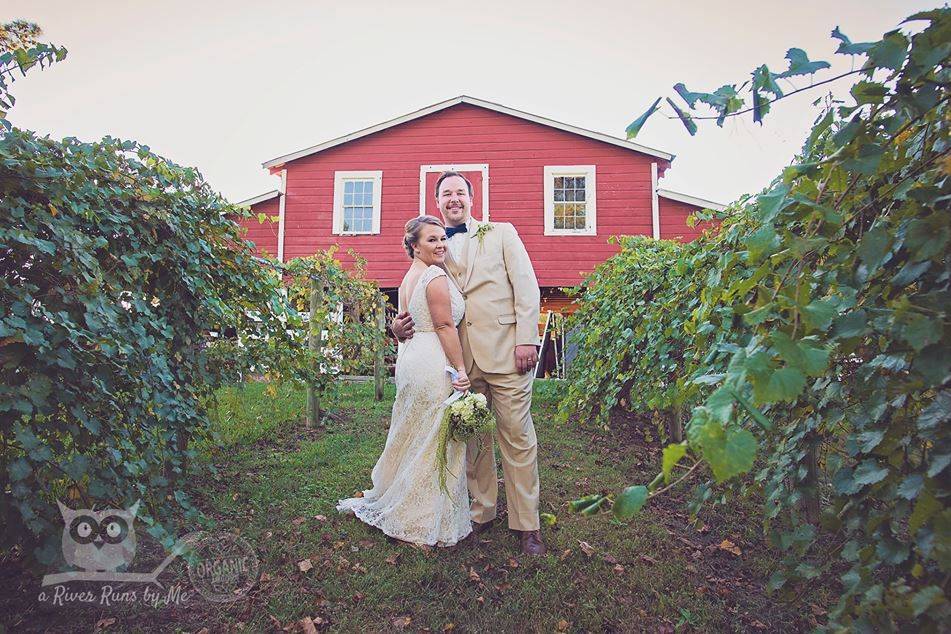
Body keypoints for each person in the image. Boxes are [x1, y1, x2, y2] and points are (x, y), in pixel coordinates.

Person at [391, 172, 546, 556]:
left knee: (517, 436)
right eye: (446, 193)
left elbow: (526, 286)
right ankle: (481, 511)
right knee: (474, 438)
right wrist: (397, 324)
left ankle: (527, 525)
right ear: (438, 201)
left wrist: (527, 338)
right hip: (459, 360)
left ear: (472, 198)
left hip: (509, 352)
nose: (454, 198)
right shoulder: (433, 246)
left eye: (460, 192)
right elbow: (417, 295)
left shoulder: (501, 233)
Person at [336, 215, 473, 547]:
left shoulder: (407, 279)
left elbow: (404, 326)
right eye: (432, 240)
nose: (441, 244)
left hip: (412, 358)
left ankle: (403, 499)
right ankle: (418, 520)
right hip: (433, 362)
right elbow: (443, 326)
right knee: (432, 438)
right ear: (414, 245)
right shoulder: (434, 276)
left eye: (443, 238)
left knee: (414, 431)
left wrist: (397, 333)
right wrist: (461, 370)